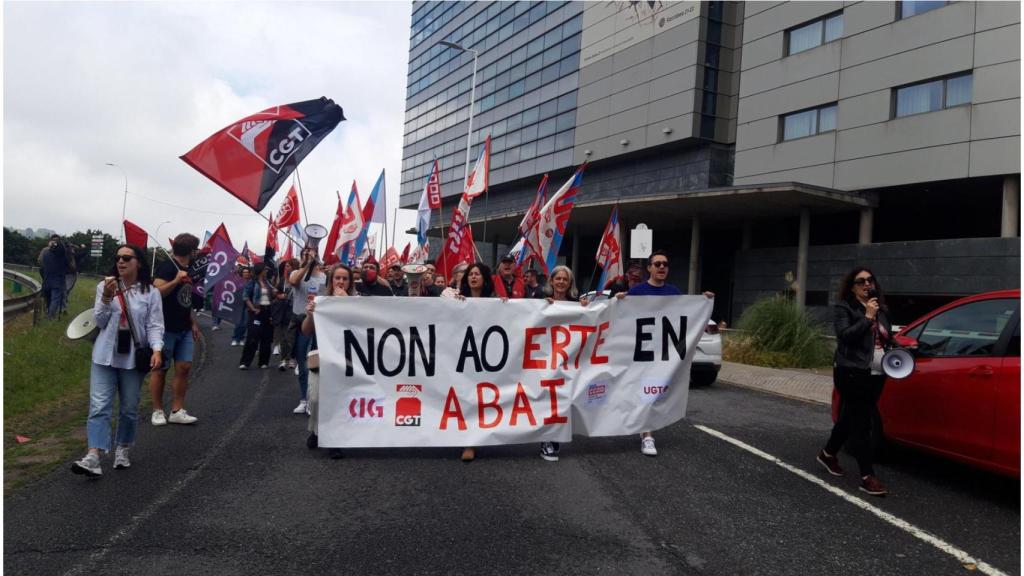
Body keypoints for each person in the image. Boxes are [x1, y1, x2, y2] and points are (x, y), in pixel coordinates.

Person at [71, 244, 164, 477]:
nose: (121, 261)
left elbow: (154, 325)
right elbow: (100, 321)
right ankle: (94, 456)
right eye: (118, 258)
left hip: (132, 359)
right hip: (104, 356)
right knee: (99, 406)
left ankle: (123, 448)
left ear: (138, 262)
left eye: (126, 258)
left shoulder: (150, 292)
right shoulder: (105, 286)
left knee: (129, 408)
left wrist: (157, 350)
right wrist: (105, 297)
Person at [615, 250, 713, 456]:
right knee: (644, 393)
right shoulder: (637, 292)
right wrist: (619, 300)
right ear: (649, 268)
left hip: (663, 355)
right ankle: (647, 435)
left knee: (653, 394)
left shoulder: (674, 292)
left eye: (665, 264)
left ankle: (644, 430)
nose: (661, 267)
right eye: (657, 264)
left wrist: (703, 303)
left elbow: (686, 317)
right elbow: (620, 317)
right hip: (641, 353)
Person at [817, 267, 892, 497]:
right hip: (851, 371)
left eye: (870, 280)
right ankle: (867, 476)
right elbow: (845, 336)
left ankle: (827, 454)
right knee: (862, 423)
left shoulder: (881, 309)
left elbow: (884, 338)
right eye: (861, 281)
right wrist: (867, 317)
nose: (867, 284)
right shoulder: (845, 308)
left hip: (877, 372)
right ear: (852, 287)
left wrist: (900, 346)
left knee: (849, 416)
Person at [302, 263, 356, 459]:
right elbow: (306, 331)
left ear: (350, 282)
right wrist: (310, 315)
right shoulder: (320, 301)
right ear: (331, 280)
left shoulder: (356, 303)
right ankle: (317, 431)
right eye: (337, 278)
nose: (341, 282)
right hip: (322, 357)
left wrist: (347, 303)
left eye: (345, 279)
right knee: (316, 399)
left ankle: (334, 441)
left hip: (345, 359)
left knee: (338, 401)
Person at [150, 233, 201, 426]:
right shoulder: (167, 266)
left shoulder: (190, 269)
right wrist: (175, 281)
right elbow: (156, 293)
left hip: (184, 326)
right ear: (191, 251)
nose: (197, 252)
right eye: (196, 249)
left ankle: (177, 410)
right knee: (160, 369)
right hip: (165, 327)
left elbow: (186, 299)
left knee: (184, 367)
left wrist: (193, 322)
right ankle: (157, 410)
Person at [539, 265, 588, 462]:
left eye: (565, 279)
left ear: (570, 284)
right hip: (544, 359)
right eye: (557, 278)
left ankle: (554, 435)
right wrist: (540, 306)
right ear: (551, 281)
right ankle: (547, 439)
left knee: (563, 399)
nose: (561, 282)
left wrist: (586, 308)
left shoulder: (576, 305)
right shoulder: (540, 301)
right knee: (547, 398)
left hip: (567, 360)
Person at [456, 262, 496, 462]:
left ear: (485, 279)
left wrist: (506, 306)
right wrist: (454, 304)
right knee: (464, 396)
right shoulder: (456, 300)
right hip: (461, 356)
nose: (473, 277)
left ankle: (472, 440)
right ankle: (466, 439)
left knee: (479, 397)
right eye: (470, 274)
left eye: (477, 274)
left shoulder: (495, 303)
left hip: (485, 357)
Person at [289, 246, 327, 414]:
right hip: (301, 324)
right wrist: (307, 264)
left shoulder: (324, 277)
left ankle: (314, 399)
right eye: (305, 254)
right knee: (303, 363)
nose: (308, 256)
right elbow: (293, 282)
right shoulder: (296, 273)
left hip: (319, 324)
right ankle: (304, 399)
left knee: (317, 363)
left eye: (311, 254)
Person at [239, 263, 277, 369]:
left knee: (267, 337)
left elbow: (272, 295)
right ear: (260, 270)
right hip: (256, 312)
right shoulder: (252, 282)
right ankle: (245, 362)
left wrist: (274, 292)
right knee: (253, 336)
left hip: (267, 311)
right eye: (265, 269)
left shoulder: (268, 282)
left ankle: (263, 362)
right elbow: (246, 297)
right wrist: (252, 308)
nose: (267, 271)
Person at [272, 259, 298, 370]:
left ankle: (292, 358)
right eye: (286, 266)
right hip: (283, 312)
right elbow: (276, 292)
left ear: (294, 267)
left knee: (292, 337)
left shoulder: (299, 280)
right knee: (283, 338)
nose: (286, 268)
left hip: (294, 312)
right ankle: (283, 360)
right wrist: (278, 295)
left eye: (288, 266)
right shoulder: (283, 279)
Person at [40, 234, 71, 318]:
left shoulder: (45, 253)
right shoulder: (61, 256)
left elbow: (41, 264)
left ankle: (46, 312)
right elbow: (68, 266)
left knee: (47, 298)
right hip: (57, 281)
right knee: (55, 299)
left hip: (46, 280)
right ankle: (50, 316)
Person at [230, 266, 252, 345]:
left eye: (247, 272)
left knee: (245, 323)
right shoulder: (237, 281)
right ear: (242, 273)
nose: (245, 274)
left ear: (249, 273)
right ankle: (235, 338)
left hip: (247, 304)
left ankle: (241, 338)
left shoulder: (251, 282)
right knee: (238, 323)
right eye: (244, 272)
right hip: (238, 304)